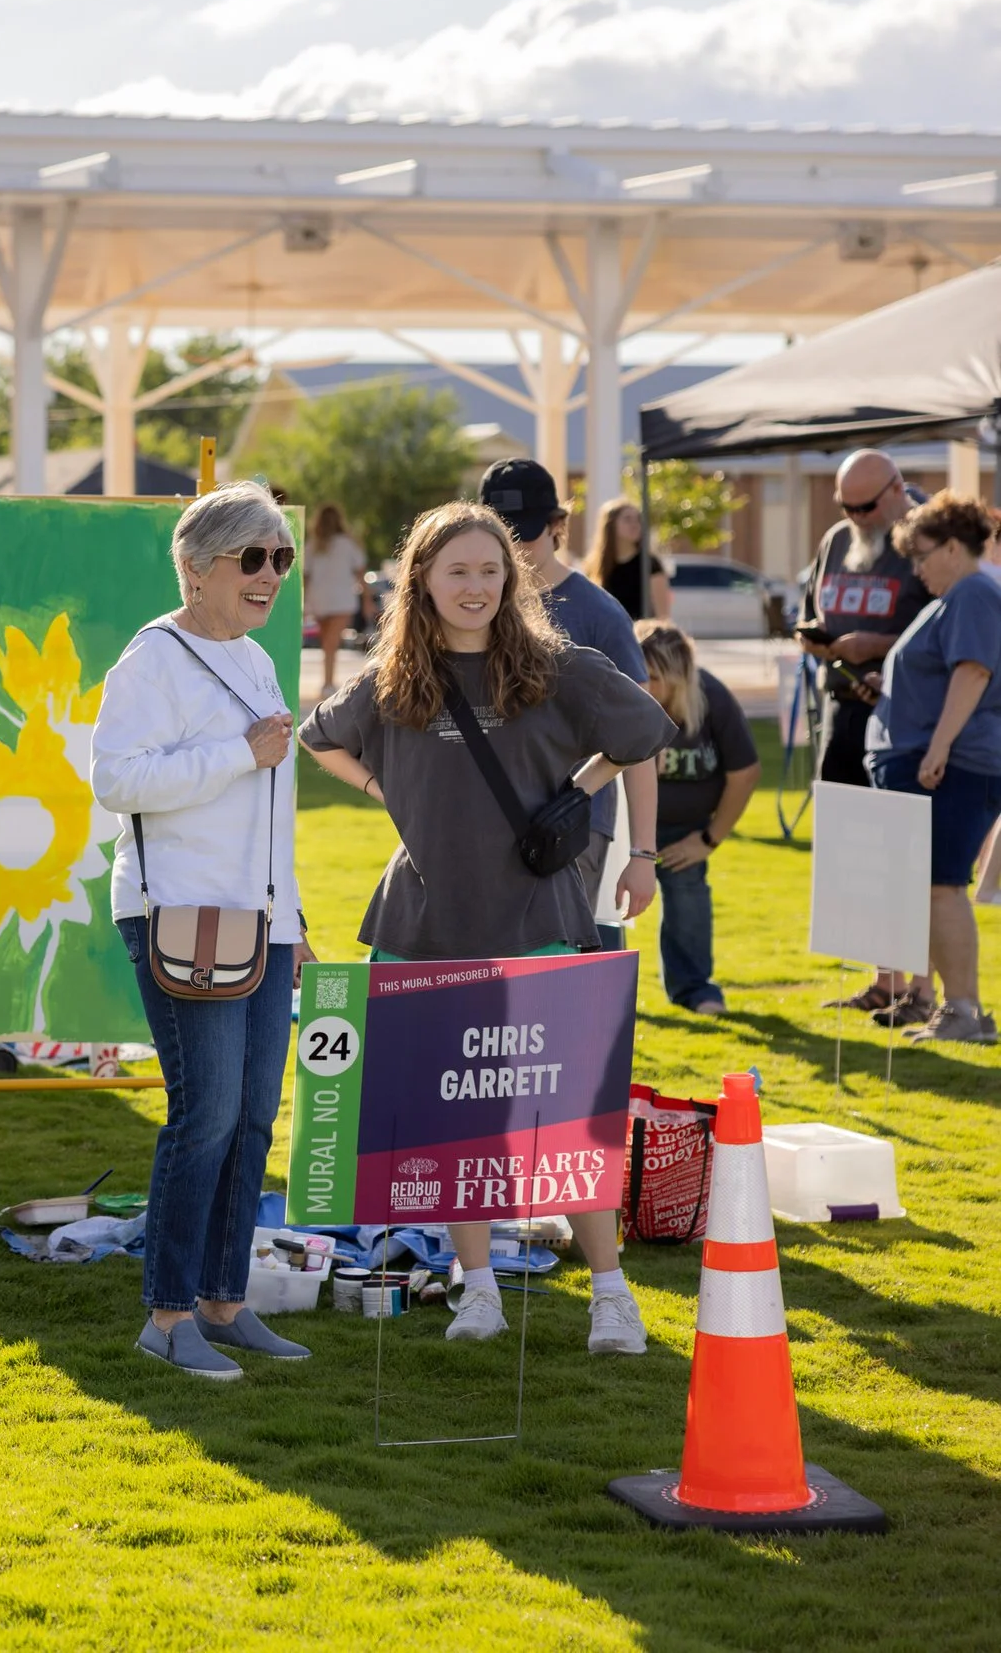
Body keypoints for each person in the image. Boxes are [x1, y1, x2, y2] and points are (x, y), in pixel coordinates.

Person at [301, 501, 675, 1356]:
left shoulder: (555, 666)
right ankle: (478, 1292)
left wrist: (579, 796)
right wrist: (382, 792)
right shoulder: (394, 678)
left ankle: (612, 1297)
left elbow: (642, 733)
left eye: (490, 571)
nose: (475, 587)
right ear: (421, 581)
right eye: (456, 571)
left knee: (565, 1116)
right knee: (448, 1125)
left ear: (512, 581)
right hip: (423, 920)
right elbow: (322, 738)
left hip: (535, 918)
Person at [89, 482, 312, 1383]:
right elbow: (116, 780)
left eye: (282, 558)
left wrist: (293, 919)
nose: (270, 577)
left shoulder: (255, 659)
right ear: (195, 566)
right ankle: (168, 1315)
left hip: (258, 920)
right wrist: (236, 754)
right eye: (251, 558)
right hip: (178, 915)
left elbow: (270, 810)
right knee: (206, 1115)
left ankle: (225, 1301)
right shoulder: (152, 660)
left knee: (255, 1115)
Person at [479, 459, 660, 954]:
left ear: (559, 526)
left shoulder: (600, 614)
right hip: (478, 821)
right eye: (501, 536)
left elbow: (641, 740)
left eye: (526, 535)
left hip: (569, 829)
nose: (514, 551)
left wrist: (643, 854)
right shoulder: (471, 603)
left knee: (551, 982)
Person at [799, 449, 937, 1021]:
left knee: (907, 854)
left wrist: (877, 647)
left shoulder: (929, 538)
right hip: (845, 714)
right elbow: (812, 609)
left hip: (907, 720)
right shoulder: (835, 541)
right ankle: (883, 980)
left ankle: (922, 990)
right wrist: (821, 644)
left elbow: (948, 625)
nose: (854, 517)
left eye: (864, 506)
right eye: (845, 506)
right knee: (856, 853)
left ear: (895, 490)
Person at [866, 490, 1001, 1044]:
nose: (916, 570)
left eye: (921, 556)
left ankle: (965, 1010)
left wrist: (939, 746)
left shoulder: (972, 591)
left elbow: (973, 672)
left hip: (956, 765)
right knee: (929, 885)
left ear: (952, 546)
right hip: (940, 761)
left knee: (942, 885)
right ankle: (945, 1004)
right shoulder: (962, 594)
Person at [637, 622, 760, 1015]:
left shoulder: (711, 697)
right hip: (625, 828)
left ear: (680, 677)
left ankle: (695, 991)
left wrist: (708, 839)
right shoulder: (628, 696)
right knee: (601, 907)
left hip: (685, 831)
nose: (646, 685)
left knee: (688, 899)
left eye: (655, 678)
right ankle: (597, 995)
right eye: (641, 674)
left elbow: (745, 772)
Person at [302, 502, 373, 700]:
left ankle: (327, 681)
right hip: (342, 599)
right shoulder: (348, 544)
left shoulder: (312, 545)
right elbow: (361, 573)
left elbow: (305, 576)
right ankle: (328, 683)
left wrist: (305, 601)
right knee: (331, 642)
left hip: (319, 599)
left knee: (327, 642)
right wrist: (367, 600)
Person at [584, 499, 672, 622]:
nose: (635, 524)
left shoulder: (650, 563)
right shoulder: (595, 564)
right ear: (610, 525)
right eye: (627, 519)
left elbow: (663, 616)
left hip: (640, 638)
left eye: (638, 519)